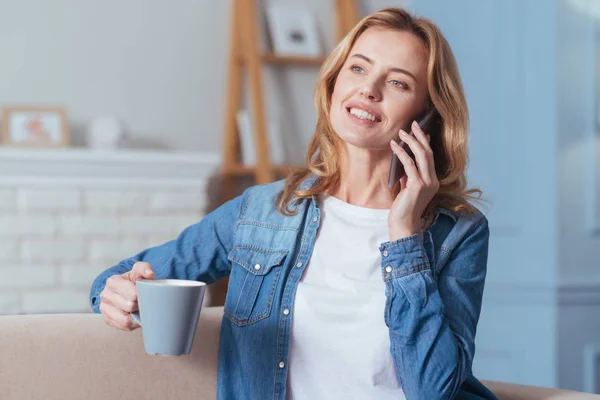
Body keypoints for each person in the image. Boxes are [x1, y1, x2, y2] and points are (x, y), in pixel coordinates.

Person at [90, 7, 498, 400]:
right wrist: (116, 292)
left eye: (398, 83)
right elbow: (124, 278)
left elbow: (433, 391)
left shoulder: (458, 232)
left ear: (426, 115)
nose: (368, 90)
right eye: (358, 68)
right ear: (335, 81)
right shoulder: (262, 211)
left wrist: (405, 234)